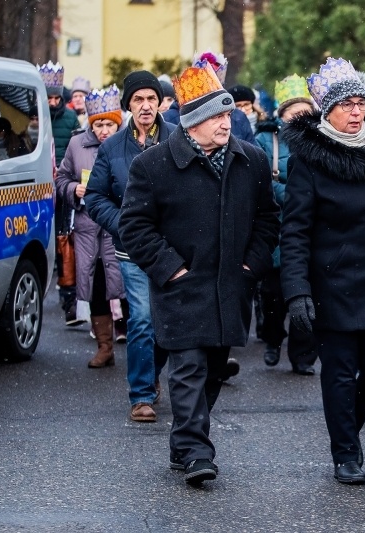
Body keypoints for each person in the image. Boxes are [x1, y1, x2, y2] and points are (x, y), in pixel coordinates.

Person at [119, 64, 280, 486]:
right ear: (191, 122)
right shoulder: (153, 165)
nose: (225, 123)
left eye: (228, 115)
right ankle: (195, 451)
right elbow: (134, 226)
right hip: (181, 286)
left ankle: (182, 442)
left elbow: (268, 219)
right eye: (215, 117)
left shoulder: (253, 160)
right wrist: (172, 269)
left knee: (211, 369)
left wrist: (251, 265)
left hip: (231, 284)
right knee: (187, 366)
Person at [280, 57, 365, 485]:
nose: (357, 111)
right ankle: (345, 452)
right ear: (328, 110)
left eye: (361, 102)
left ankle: (346, 428)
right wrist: (297, 290)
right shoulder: (310, 158)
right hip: (333, 280)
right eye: (347, 104)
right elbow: (296, 230)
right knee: (339, 373)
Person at [85, 70, 178, 423]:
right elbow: (95, 197)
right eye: (138, 99)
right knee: (141, 319)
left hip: (173, 248)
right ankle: (141, 395)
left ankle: (152, 372)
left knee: (168, 319)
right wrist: (124, 224)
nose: (145, 106)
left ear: (159, 103)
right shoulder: (112, 147)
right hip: (132, 249)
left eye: (151, 99)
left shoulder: (178, 138)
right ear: (128, 105)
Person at [55, 85, 125, 368]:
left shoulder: (126, 145)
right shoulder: (75, 145)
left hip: (118, 228)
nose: (104, 130)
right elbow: (61, 179)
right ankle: (104, 346)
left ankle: (136, 345)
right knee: (95, 287)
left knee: (125, 286)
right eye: (99, 124)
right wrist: (74, 189)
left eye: (109, 124)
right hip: (87, 228)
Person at [253, 74, 317, 374]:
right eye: (294, 112)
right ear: (282, 115)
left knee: (309, 292)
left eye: (305, 111)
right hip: (277, 226)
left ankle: (303, 355)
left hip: (312, 227)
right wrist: (299, 197)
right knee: (273, 295)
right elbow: (263, 180)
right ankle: (272, 338)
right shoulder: (266, 140)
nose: (300, 117)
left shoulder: (320, 140)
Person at [39, 61, 82, 326]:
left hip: (64, 185)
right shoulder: (35, 117)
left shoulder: (70, 118)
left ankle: (69, 300)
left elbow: (76, 147)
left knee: (65, 240)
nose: (53, 102)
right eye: (49, 97)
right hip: (41, 187)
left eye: (57, 98)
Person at [162, 51, 255, 145]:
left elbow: (251, 153)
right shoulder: (169, 118)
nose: (227, 126)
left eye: (228, 115)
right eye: (217, 117)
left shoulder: (238, 117)